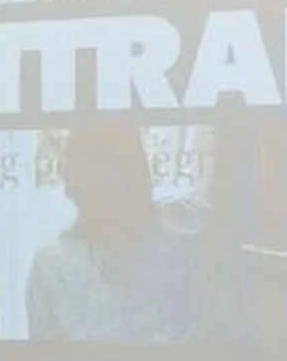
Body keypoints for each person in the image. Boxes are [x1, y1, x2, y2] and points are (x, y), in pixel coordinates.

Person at [27, 121, 199, 342]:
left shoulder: (186, 250)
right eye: (99, 184)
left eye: (126, 175)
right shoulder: (51, 268)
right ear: (75, 187)